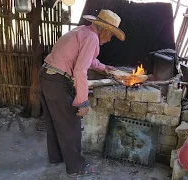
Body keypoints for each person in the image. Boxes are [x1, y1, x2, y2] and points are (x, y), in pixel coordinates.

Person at [39, 9, 125, 177]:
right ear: (106, 30)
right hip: (57, 81)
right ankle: (76, 167)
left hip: (46, 76)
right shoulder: (92, 38)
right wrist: (82, 102)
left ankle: (56, 158)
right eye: (111, 35)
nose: (109, 40)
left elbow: (89, 59)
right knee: (71, 125)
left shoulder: (83, 31)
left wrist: (104, 67)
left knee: (54, 122)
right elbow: (80, 70)